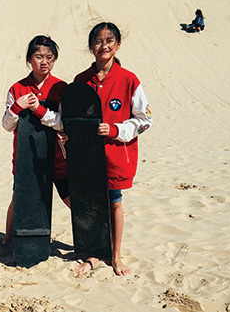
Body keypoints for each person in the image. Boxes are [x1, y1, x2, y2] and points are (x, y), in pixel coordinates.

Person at [72, 22, 152, 276]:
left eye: (109, 40)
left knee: (114, 203)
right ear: (90, 46)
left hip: (115, 155)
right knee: (91, 204)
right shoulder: (81, 81)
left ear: (118, 45)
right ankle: (95, 253)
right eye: (98, 40)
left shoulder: (129, 80)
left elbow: (144, 120)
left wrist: (116, 130)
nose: (103, 45)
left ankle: (115, 255)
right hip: (86, 157)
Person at [1, 35, 69, 248]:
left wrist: (38, 109)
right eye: (39, 56)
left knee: (71, 200)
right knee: (18, 200)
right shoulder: (17, 88)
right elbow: (7, 125)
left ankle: (88, 243)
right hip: (25, 160)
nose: (44, 61)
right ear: (29, 59)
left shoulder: (61, 87)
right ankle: (8, 241)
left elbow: (61, 123)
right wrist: (17, 107)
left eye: (49, 57)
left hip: (57, 160)